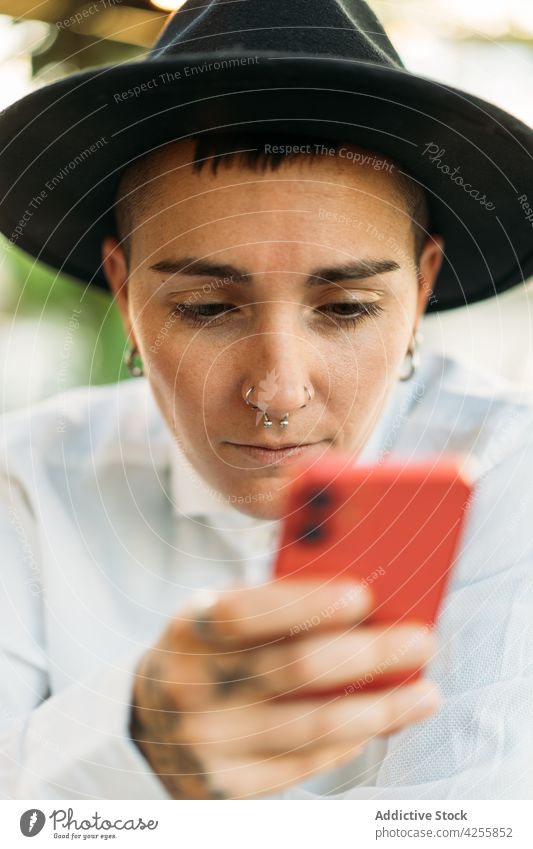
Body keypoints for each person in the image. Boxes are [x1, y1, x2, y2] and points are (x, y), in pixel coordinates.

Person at [0, 0, 532, 801]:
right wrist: (135, 745)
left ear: (418, 291)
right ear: (123, 290)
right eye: (206, 308)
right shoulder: (25, 480)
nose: (278, 392)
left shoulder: (508, 467)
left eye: (346, 308)